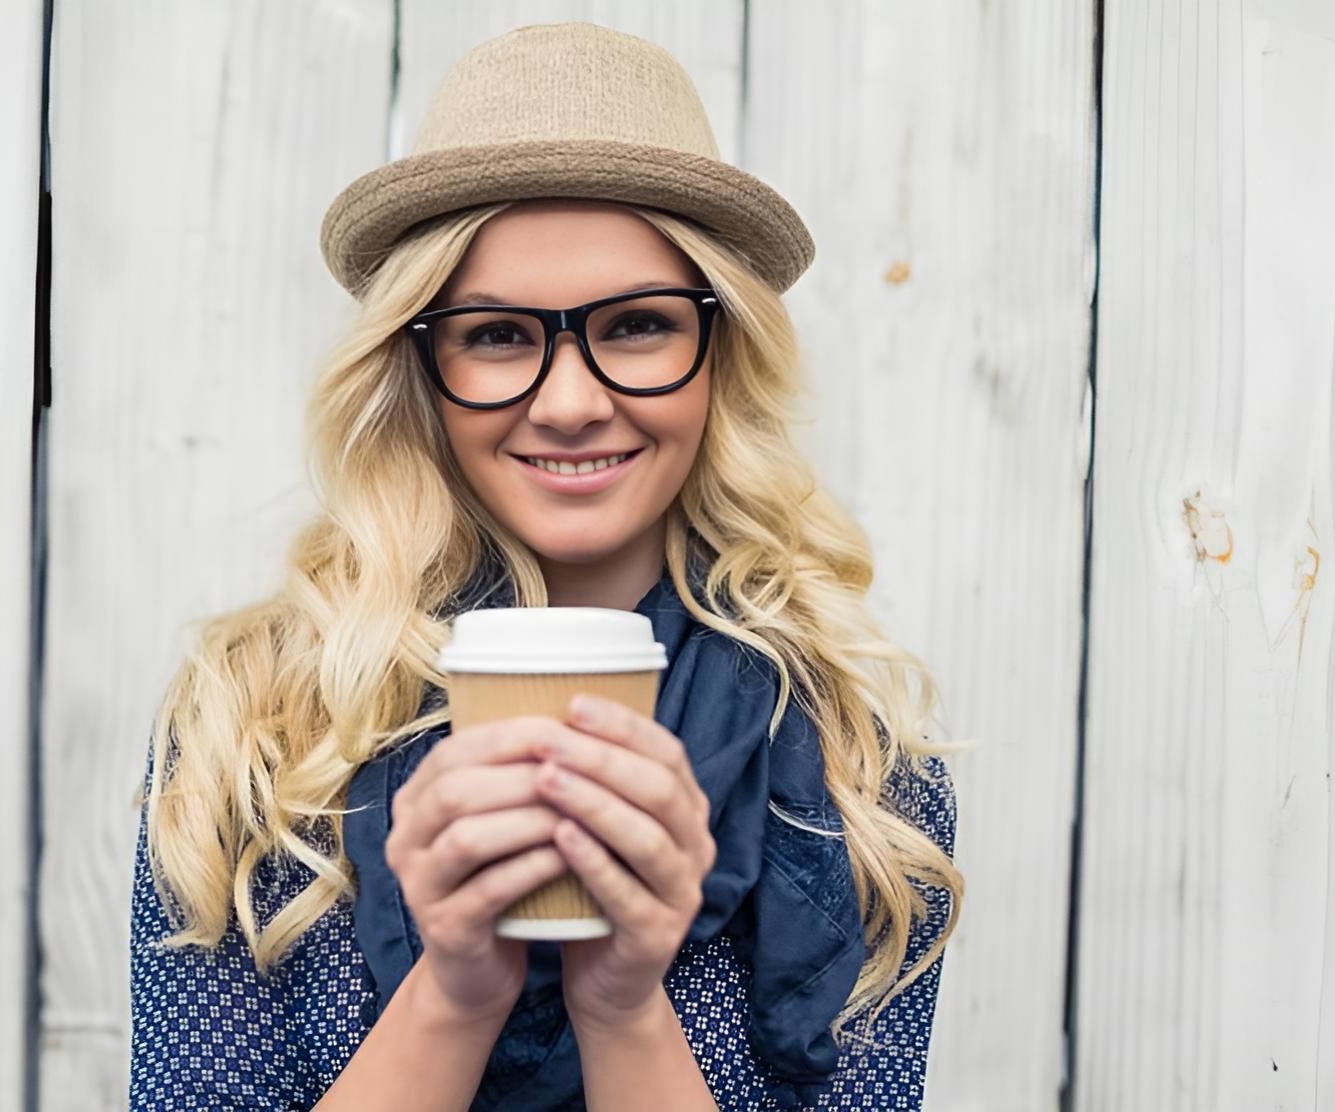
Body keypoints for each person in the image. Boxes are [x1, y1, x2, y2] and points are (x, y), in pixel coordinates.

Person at [129, 21, 962, 1111]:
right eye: (496, 335)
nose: (569, 402)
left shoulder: (864, 777)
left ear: (720, 355)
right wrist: (455, 994)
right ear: (419, 363)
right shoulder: (251, 733)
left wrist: (619, 1004)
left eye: (637, 326)